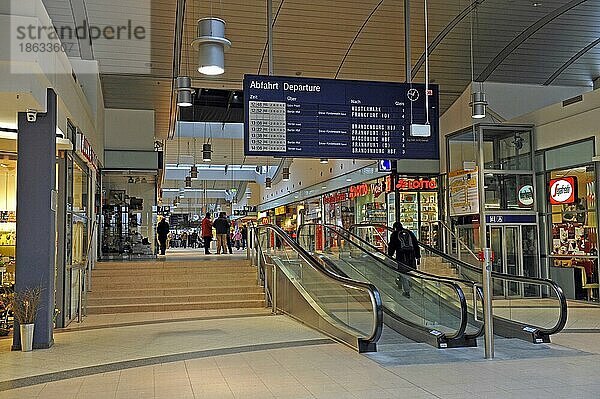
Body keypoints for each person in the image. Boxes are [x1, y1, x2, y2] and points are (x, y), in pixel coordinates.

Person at [388, 221, 420, 298]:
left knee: (403, 273)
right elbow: (416, 244)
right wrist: (418, 256)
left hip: (402, 257)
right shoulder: (409, 233)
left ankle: (407, 291)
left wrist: (390, 255)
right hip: (411, 257)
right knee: (407, 272)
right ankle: (404, 283)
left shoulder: (395, 234)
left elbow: (391, 246)